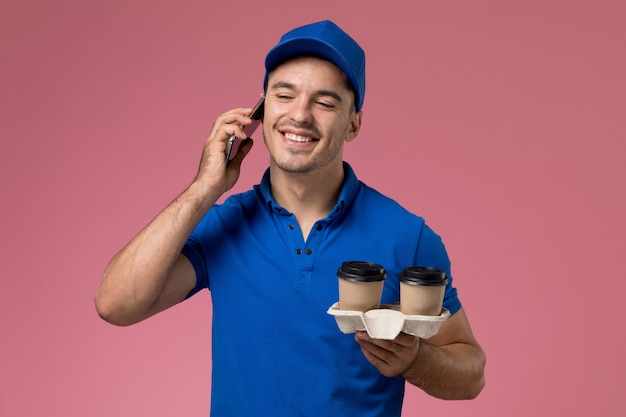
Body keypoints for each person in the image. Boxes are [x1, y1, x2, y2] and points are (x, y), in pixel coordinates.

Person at [95, 19, 485, 416]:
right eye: (284, 95)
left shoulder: (407, 236)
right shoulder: (224, 225)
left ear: (353, 124)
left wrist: (416, 361)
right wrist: (204, 187)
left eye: (325, 102)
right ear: (260, 111)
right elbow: (115, 304)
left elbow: (470, 373)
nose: (300, 115)